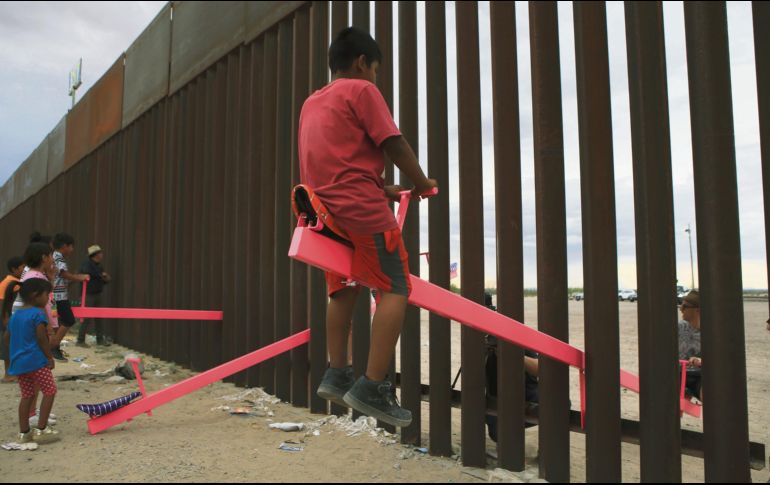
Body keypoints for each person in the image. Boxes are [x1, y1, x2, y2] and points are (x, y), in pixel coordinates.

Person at [300, 26, 437, 427]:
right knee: (395, 286)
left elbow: (336, 159)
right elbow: (391, 142)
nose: (376, 77)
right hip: (359, 209)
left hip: (323, 213)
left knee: (343, 288)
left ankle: (336, 371)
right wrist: (423, 182)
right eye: (376, 69)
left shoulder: (312, 101)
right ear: (362, 63)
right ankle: (373, 387)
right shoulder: (362, 90)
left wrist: (384, 188)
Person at [2, 278, 60, 444]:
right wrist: (49, 357)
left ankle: (24, 432)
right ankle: (42, 429)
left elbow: (7, 339)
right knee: (49, 390)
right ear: (36, 295)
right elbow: (42, 338)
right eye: (46, 295)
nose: (48, 299)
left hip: (19, 363)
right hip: (36, 361)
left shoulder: (15, 316)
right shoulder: (37, 314)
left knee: (26, 395)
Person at [48, 233, 89, 362]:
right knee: (69, 320)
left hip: (56, 294)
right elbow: (63, 273)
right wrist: (79, 277)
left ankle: (54, 347)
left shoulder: (55, 256)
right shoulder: (58, 257)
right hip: (58, 296)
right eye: (71, 247)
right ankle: (53, 347)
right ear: (65, 246)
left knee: (57, 323)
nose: (72, 250)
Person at [77, 245, 111, 347]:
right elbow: (91, 274)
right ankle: (80, 340)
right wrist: (102, 276)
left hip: (97, 293)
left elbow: (103, 279)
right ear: (95, 255)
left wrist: (105, 278)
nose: (102, 255)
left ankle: (100, 339)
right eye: (100, 253)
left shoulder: (99, 266)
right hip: (88, 295)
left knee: (99, 317)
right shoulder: (87, 265)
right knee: (86, 318)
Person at [1, 256, 25, 382]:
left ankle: (11, 373)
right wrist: (6, 319)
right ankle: (8, 374)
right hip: (6, 318)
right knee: (8, 346)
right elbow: (4, 303)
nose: (24, 269)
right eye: (22, 267)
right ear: (14, 269)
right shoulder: (13, 283)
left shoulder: (10, 281)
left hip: (7, 318)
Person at [678, 290, 702, 401]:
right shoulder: (678, 327)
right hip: (676, 375)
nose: (681, 309)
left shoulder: (713, 334)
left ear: (697, 310)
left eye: (685, 306)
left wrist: (700, 360)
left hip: (698, 376)